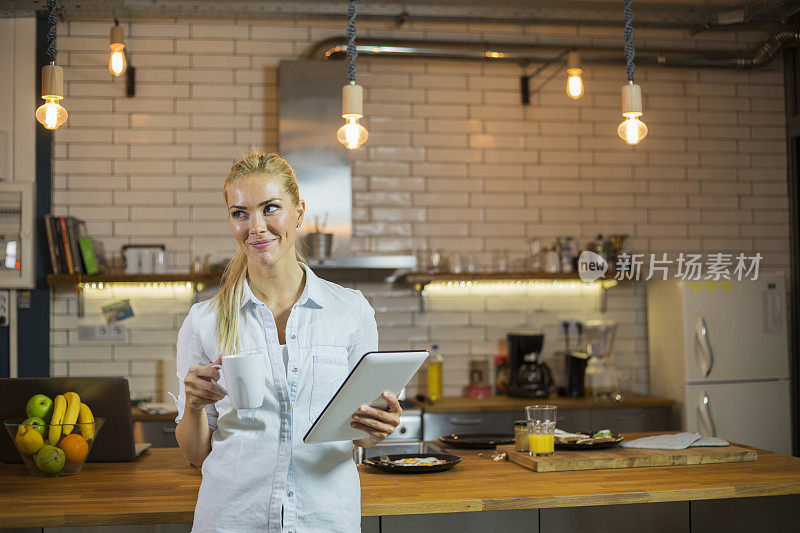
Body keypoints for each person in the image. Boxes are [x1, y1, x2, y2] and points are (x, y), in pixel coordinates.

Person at [173, 151, 401, 532]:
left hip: (324, 519)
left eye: (271, 208)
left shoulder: (349, 310)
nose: (256, 227)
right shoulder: (204, 320)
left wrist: (378, 428)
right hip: (233, 518)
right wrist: (194, 406)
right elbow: (196, 453)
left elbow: (362, 435)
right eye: (240, 213)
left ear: (299, 212)